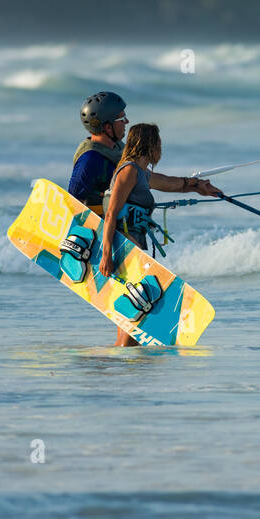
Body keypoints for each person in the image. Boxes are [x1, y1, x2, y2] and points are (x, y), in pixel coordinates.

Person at [99, 123, 221, 346]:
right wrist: (107, 253)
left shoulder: (141, 173)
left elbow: (171, 184)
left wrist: (199, 186)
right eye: (158, 143)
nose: (160, 148)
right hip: (125, 246)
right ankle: (122, 356)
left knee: (134, 308)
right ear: (150, 144)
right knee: (137, 309)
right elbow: (111, 214)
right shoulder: (128, 171)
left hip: (135, 245)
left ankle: (120, 357)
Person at [68, 92, 128, 215]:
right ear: (108, 127)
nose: (126, 122)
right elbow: (73, 206)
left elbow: (145, 177)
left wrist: (178, 185)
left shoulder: (118, 147)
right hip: (102, 228)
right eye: (122, 119)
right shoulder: (89, 159)